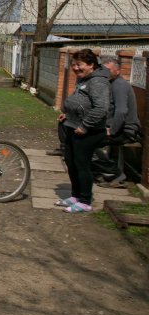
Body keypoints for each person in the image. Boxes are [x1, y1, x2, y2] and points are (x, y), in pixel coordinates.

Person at [54, 48, 111, 213]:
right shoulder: (84, 79)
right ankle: (75, 196)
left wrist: (85, 126)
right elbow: (81, 103)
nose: (76, 68)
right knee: (71, 162)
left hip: (89, 131)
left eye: (80, 65)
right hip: (74, 127)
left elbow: (101, 108)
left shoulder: (98, 82)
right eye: (73, 65)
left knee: (82, 165)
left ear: (91, 64)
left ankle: (85, 201)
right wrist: (68, 115)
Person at [91, 56, 142, 186]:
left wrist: (111, 130)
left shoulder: (119, 85)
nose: (105, 73)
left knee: (89, 143)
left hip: (126, 132)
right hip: (116, 129)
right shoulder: (110, 83)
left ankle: (114, 174)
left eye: (109, 70)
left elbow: (121, 111)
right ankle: (101, 172)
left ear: (117, 71)